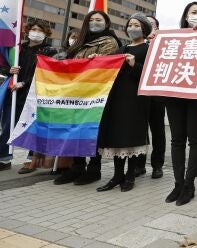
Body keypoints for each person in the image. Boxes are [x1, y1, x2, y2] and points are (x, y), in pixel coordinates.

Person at [53, 10, 121, 185]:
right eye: (91, 20)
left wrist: (96, 60)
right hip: (76, 93)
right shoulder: (80, 41)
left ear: (106, 23)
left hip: (96, 94)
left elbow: (106, 65)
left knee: (93, 130)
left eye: (99, 20)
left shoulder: (110, 41)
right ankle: (77, 166)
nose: (95, 22)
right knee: (76, 128)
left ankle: (94, 168)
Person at [96, 14, 151, 192]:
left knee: (131, 135)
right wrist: (98, 59)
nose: (132, 28)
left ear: (144, 28)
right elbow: (108, 66)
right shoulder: (122, 48)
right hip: (117, 97)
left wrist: (134, 65)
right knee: (117, 136)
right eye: (130, 25)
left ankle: (130, 175)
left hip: (136, 99)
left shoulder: (149, 48)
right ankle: (117, 175)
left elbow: (151, 73)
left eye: (136, 25)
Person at [163, 2, 197, 206]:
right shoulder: (172, 37)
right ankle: (178, 183)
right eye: (193, 12)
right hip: (174, 94)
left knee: (195, 140)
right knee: (177, 140)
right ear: (185, 16)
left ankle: (189, 184)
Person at [0, 20, 57, 172]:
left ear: (45, 34)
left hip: (33, 94)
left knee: (33, 127)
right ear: (27, 31)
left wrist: (24, 83)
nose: (36, 32)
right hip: (13, 93)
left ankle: (33, 161)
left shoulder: (49, 51)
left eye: (40, 30)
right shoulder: (18, 48)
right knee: (7, 126)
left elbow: (45, 73)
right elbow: (4, 65)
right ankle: (4, 159)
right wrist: (9, 71)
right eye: (33, 29)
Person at [141, 15, 166, 179]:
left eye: (152, 24)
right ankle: (138, 165)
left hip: (157, 94)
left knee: (158, 131)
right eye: (146, 24)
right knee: (140, 131)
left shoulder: (164, 44)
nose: (149, 27)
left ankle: (157, 165)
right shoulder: (136, 44)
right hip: (139, 95)